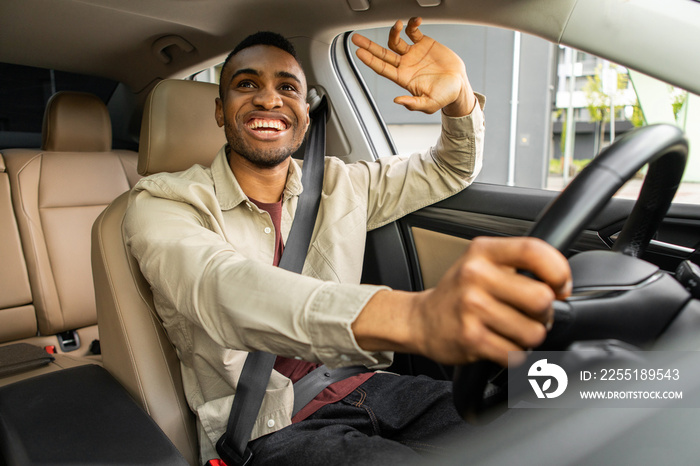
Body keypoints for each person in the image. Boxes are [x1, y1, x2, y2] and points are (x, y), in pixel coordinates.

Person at [125, 17, 571, 465]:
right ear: (221, 111)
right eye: (246, 84)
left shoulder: (341, 183)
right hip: (267, 425)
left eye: (288, 88)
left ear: (304, 114)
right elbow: (222, 288)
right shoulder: (162, 202)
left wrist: (458, 102)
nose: (268, 98)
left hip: (365, 385)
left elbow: (448, 169)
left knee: (532, 425)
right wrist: (414, 317)